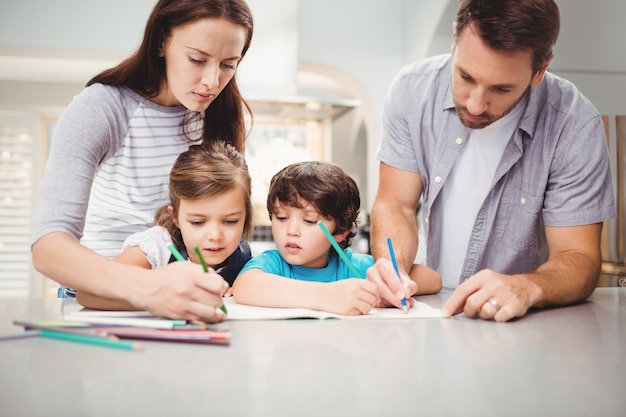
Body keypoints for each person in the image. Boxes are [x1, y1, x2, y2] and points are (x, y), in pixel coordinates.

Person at [367, 0, 616, 322]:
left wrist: (526, 288)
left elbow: (578, 256)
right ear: (454, 44)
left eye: (501, 88)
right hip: (430, 310)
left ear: (540, 71)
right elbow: (396, 203)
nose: (475, 104)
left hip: (522, 321)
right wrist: (392, 266)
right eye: (466, 76)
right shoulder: (412, 90)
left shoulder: (574, 125)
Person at [31, 0, 254, 323]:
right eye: (197, 59)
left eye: (228, 64)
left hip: (180, 295)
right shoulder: (103, 108)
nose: (212, 81)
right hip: (99, 300)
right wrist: (149, 289)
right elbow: (48, 246)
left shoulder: (219, 115)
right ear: (162, 41)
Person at [76, 142, 253, 311]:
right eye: (197, 222)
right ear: (175, 217)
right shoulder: (156, 247)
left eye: (230, 221)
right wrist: (158, 295)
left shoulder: (242, 255)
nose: (215, 235)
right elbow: (89, 294)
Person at [232, 161, 380, 315]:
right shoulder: (273, 264)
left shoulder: (357, 267)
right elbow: (244, 287)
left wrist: (392, 292)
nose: (292, 231)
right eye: (282, 218)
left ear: (341, 232)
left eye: (309, 221)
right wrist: (326, 296)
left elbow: (400, 278)